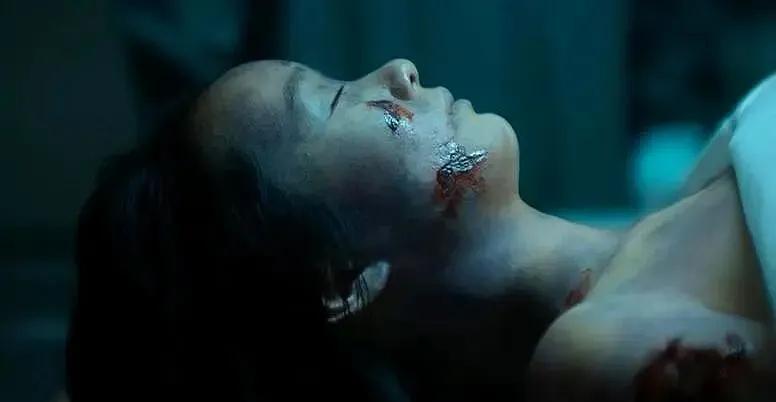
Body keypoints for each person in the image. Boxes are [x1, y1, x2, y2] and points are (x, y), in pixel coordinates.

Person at [66, 59, 776, 402]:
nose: (399, 72)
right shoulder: (611, 353)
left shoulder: (683, 196)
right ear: (342, 279)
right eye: (333, 100)